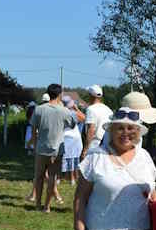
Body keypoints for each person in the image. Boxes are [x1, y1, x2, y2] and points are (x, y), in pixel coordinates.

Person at [29, 84, 85, 212]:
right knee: (53, 178)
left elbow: (33, 130)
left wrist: (34, 145)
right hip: (57, 150)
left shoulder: (38, 109)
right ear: (60, 95)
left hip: (41, 149)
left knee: (39, 177)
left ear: (48, 93)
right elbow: (75, 122)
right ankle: (47, 207)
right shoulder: (64, 111)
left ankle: (38, 205)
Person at [83, 84, 113, 156]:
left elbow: (91, 129)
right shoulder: (108, 110)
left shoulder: (91, 109)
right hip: (107, 143)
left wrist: (85, 149)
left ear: (90, 96)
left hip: (94, 144)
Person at [60, 97, 84, 185]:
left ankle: (61, 177)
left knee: (65, 158)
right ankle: (73, 178)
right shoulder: (73, 113)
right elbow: (84, 118)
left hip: (64, 137)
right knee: (74, 158)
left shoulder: (60, 112)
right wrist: (76, 108)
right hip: (74, 137)